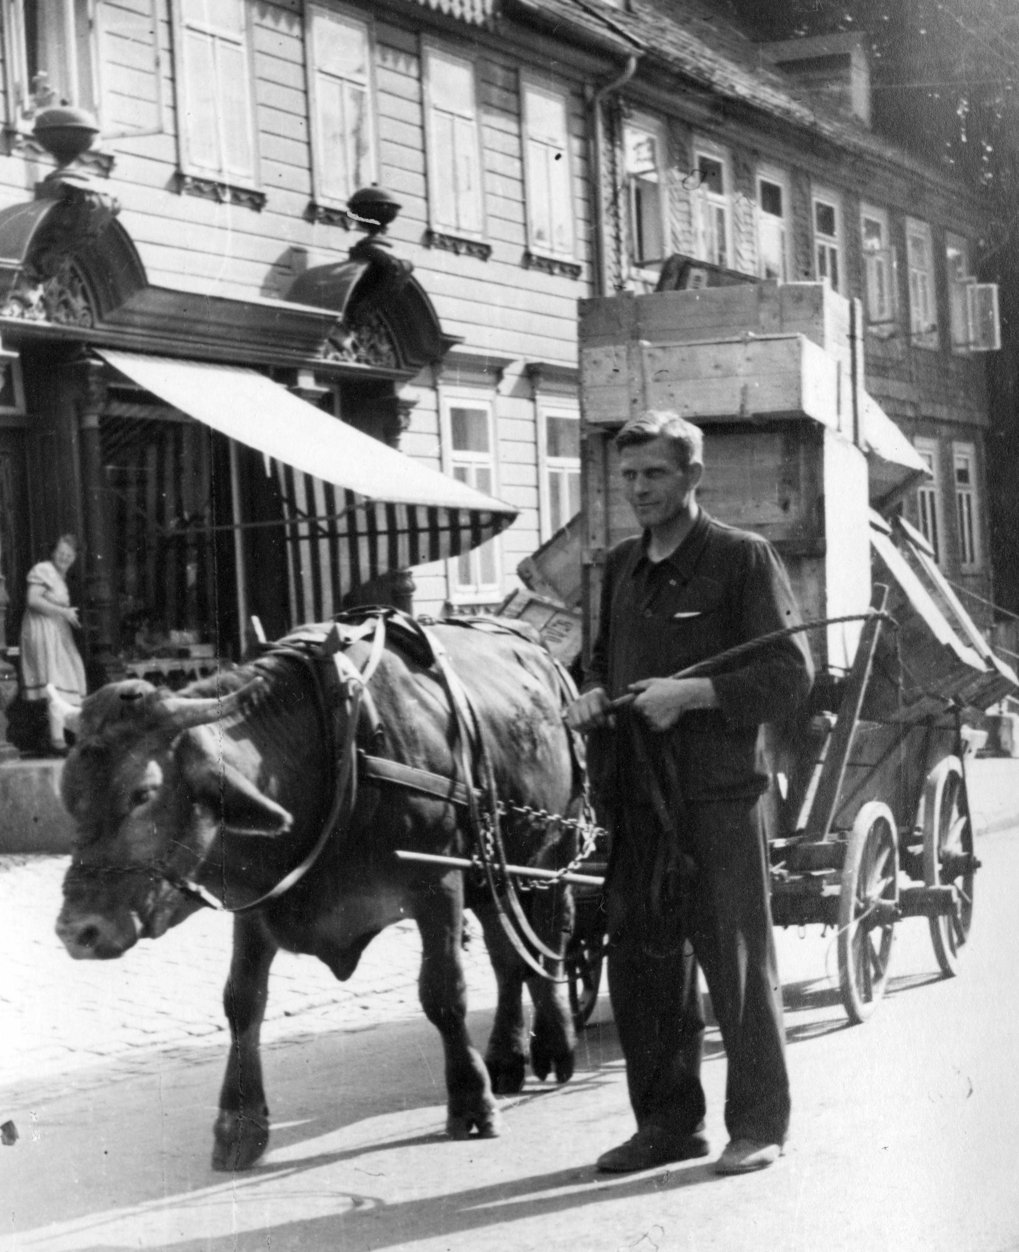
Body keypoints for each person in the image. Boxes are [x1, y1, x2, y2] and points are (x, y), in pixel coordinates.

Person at [565, 410, 813, 1177]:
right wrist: (590, 696)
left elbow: (790, 675)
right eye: (629, 475)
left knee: (733, 964)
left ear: (692, 477)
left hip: (716, 797)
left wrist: (694, 693)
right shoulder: (620, 567)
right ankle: (668, 1125)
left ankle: (758, 1126)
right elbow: (602, 665)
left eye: (655, 474)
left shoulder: (741, 558)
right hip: (636, 799)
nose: (638, 488)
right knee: (642, 965)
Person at [20, 534, 87, 755]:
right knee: (55, 681)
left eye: (69, 554)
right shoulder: (44, 569)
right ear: (53, 552)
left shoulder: (60, 577)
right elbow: (33, 600)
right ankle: (57, 740)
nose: (65, 557)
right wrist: (63, 611)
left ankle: (78, 737)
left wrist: (66, 615)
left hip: (58, 630)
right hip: (43, 628)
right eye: (61, 553)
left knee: (73, 675)